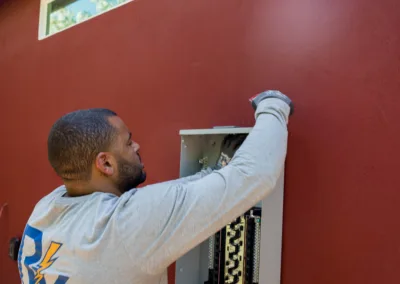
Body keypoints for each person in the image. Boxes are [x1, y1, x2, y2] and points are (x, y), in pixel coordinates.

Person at [17, 90, 294, 284]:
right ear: (105, 164)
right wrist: (273, 105)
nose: (136, 147)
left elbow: (168, 199)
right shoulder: (121, 228)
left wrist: (213, 173)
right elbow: (254, 174)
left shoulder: (47, 208)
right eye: (128, 142)